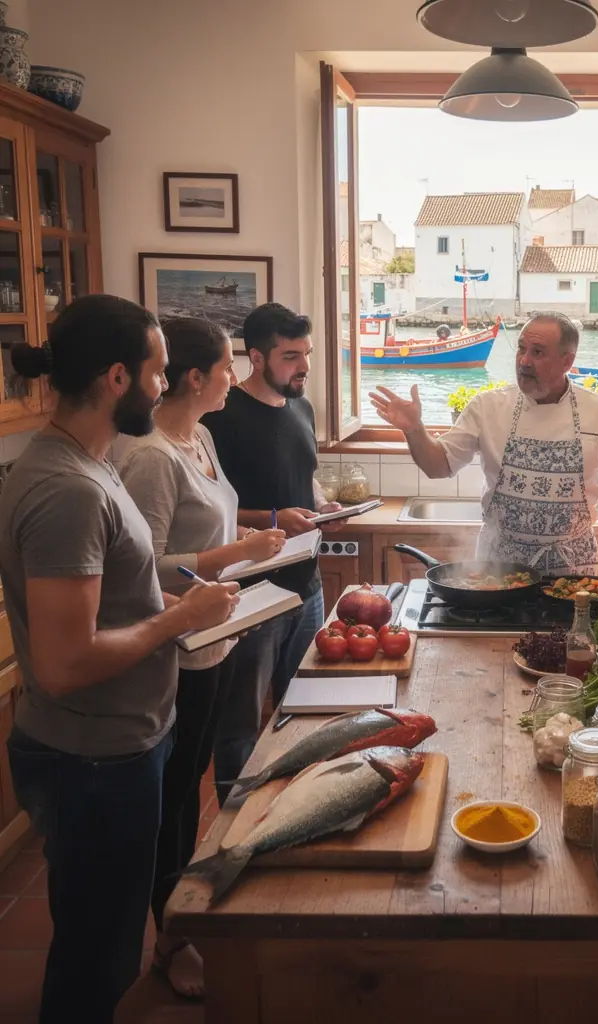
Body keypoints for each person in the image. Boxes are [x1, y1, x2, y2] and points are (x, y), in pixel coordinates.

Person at [0, 296, 239, 1024]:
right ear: (116, 377)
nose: (165, 386)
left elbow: (114, 596)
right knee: (96, 956)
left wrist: (174, 604)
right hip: (93, 759)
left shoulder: (84, 463)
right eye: (158, 372)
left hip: (113, 744)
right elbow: (66, 661)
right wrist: (181, 619)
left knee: (101, 936)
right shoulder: (69, 489)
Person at [118, 318, 286, 999]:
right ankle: (171, 938)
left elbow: (211, 522)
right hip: (178, 651)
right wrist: (236, 556)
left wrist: (254, 533)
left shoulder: (203, 437)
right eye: (225, 368)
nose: (233, 379)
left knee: (197, 788)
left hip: (217, 638)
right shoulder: (151, 456)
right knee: (176, 802)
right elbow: (143, 565)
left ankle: (184, 922)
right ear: (197, 378)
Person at [370, 313, 598, 574]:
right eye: (521, 349)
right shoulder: (487, 407)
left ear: (566, 361)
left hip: (573, 569)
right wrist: (415, 429)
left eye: (537, 352)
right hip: (497, 569)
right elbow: (438, 466)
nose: (524, 361)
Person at [203, 303, 343, 804]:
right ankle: (233, 828)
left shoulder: (300, 406)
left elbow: (304, 477)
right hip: (251, 594)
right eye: (291, 356)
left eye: (306, 353)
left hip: (307, 586)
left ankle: (291, 807)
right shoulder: (219, 419)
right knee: (240, 723)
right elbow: (212, 513)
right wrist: (272, 520)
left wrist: (323, 505)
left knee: (303, 705)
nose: (303, 365)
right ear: (256, 357)